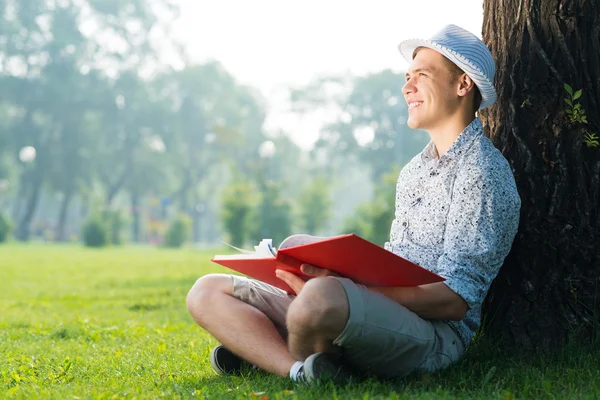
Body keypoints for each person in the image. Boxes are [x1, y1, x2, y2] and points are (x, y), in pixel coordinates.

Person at [186, 24, 521, 384]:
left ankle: (265, 346)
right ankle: (301, 369)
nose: (406, 87)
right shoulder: (414, 173)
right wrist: (338, 274)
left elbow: (455, 301)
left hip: (433, 334)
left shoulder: (482, 173)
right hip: (374, 309)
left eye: (421, 76)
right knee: (208, 289)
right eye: (406, 77)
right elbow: (399, 261)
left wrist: (350, 289)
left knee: (320, 296)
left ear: (462, 85)